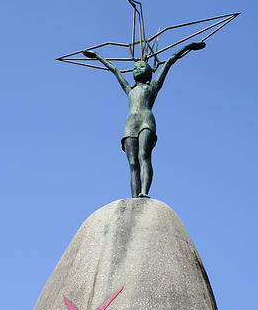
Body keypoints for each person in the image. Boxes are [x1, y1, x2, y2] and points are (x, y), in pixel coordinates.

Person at [82, 41, 205, 198]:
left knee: (144, 156)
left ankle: (144, 192)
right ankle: (135, 198)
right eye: (135, 68)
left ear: (149, 72)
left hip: (146, 121)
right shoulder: (129, 89)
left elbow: (170, 60)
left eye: (141, 67)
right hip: (130, 125)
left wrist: (187, 47)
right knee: (133, 164)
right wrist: (97, 56)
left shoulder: (152, 87)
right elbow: (114, 70)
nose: (137, 69)